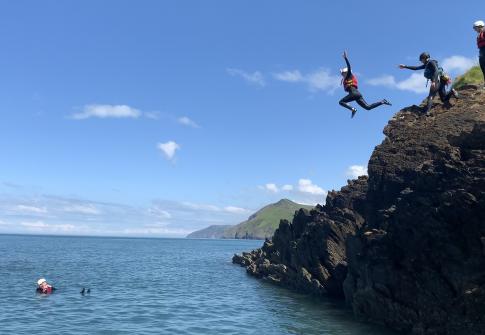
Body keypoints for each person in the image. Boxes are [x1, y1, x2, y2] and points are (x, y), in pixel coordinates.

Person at [339, 51, 391, 118]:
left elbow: (349, 67)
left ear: (346, 72)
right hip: (358, 94)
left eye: (343, 73)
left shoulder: (349, 75)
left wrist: (345, 58)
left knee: (341, 102)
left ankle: (353, 109)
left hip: (354, 94)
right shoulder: (346, 78)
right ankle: (382, 102)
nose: (342, 74)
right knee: (368, 107)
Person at [474, 20, 485, 88]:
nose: (476, 30)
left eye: (476, 28)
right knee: (483, 68)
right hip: (481, 51)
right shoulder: (479, 35)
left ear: (480, 26)